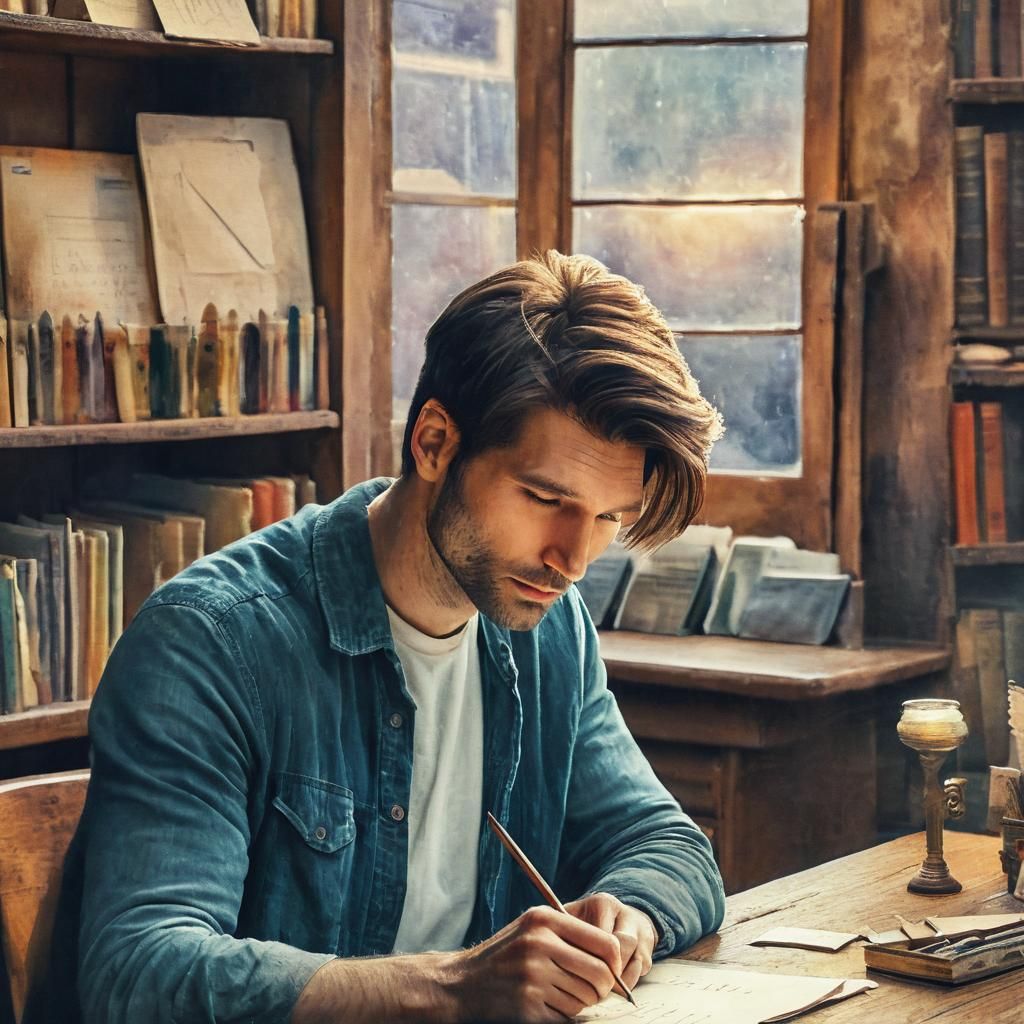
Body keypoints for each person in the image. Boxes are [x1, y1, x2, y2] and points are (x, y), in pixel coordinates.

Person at [34, 251, 725, 1024]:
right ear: (433, 443)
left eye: (607, 518)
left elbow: (668, 846)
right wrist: (453, 989)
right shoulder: (209, 641)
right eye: (543, 498)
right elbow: (139, 973)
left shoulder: (549, 628)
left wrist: (629, 918)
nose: (573, 560)